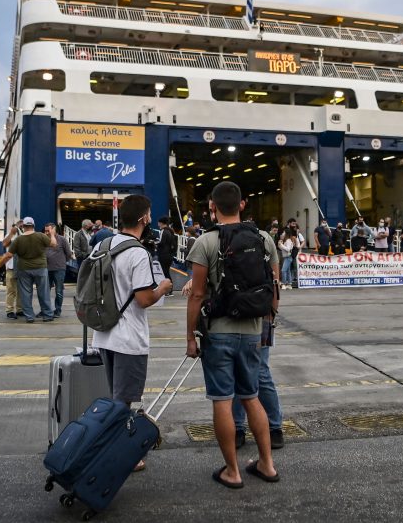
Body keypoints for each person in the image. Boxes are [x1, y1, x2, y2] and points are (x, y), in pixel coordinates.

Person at [186, 181, 280, 489]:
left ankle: (232, 471)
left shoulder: (205, 242)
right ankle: (266, 464)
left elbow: (197, 295)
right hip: (254, 332)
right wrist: (268, 325)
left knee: (222, 401)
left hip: (219, 333)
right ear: (242, 204)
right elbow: (274, 287)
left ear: (211, 206)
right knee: (252, 397)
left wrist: (190, 337)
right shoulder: (264, 238)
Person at [93, 195, 173, 473]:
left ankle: (112, 447)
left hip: (104, 334)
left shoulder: (104, 245)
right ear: (143, 218)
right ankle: (121, 453)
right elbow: (144, 299)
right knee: (123, 401)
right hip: (128, 337)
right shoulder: (137, 253)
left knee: (117, 397)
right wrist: (164, 286)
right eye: (149, 214)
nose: (150, 219)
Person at [8, 217, 57, 322]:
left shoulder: (18, 239)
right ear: (33, 225)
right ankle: (47, 315)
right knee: (43, 292)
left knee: (25, 294)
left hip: (24, 269)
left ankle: (29, 317)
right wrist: (52, 234)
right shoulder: (41, 236)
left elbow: (8, 254)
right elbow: (54, 244)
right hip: (40, 268)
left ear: (23, 226)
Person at [0, 220, 24, 320]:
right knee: (11, 290)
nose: (20, 227)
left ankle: (20, 309)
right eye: (19, 226)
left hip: (22, 267)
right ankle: (9, 310)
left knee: (21, 290)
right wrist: (12, 233)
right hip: (11, 266)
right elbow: (4, 243)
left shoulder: (24, 234)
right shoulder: (11, 235)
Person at [44, 223, 72, 318]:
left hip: (59, 269)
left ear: (54, 230)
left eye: (48, 230)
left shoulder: (62, 239)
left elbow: (68, 253)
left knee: (59, 291)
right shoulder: (44, 239)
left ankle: (57, 310)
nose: (46, 232)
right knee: (44, 291)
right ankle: (46, 310)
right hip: (46, 269)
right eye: (46, 230)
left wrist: (62, 262)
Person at [157, 217, 177, 292]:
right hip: (169, 254)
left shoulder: (163, 231)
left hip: (163, 254)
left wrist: (154, 243)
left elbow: (161, 242)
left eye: (158, 222)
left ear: (161, 223)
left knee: (164, 272)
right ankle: (170, 289)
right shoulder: (170, 231)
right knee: (166, 272)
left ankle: (168, 289)